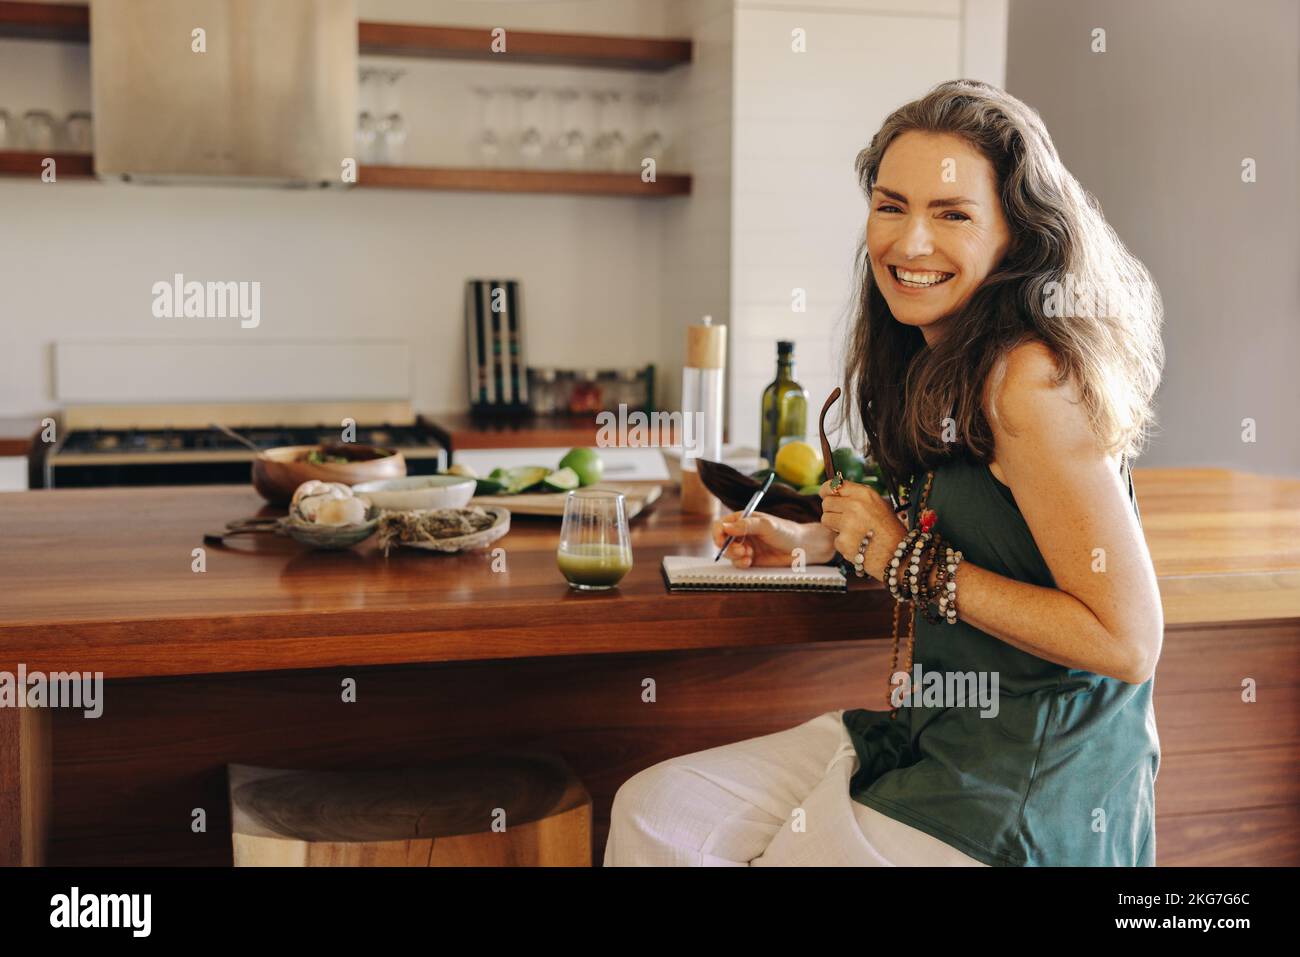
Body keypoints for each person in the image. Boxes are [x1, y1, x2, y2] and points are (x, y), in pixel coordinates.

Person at [604, 79, 1165, 867]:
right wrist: (813, 543)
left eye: (953, 214)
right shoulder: (933, 356)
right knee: (660, 815)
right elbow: (942, 524)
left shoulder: (1028, 380)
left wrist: (909, 559)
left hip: (1025, 782)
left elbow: (1128, 639)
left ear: (1017, 235)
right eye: (891, 205)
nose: (909, 243)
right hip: (928, 732)